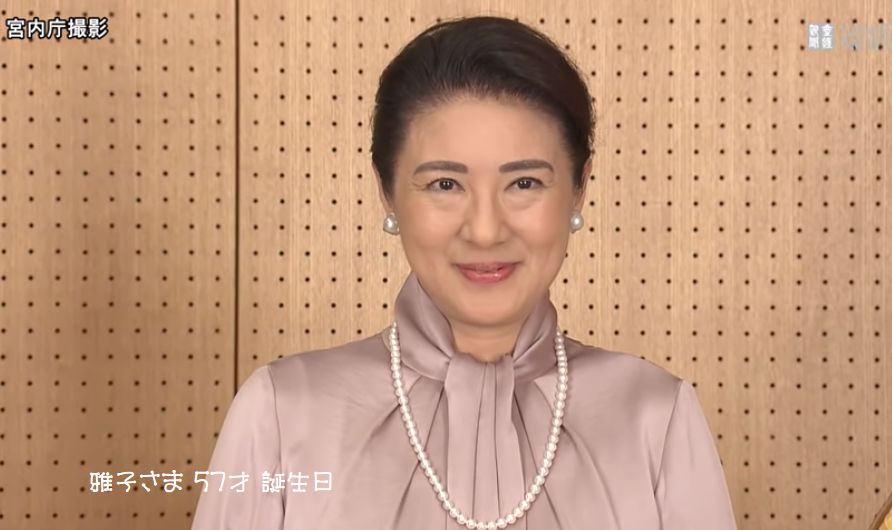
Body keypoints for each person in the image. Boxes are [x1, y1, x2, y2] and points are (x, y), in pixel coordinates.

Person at [190, 15, 738, 530]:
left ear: (579, 187)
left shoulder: (655, 416)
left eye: (524, 183)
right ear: (387, 192)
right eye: (445, 185)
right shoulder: (282, 412)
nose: (484, 230)